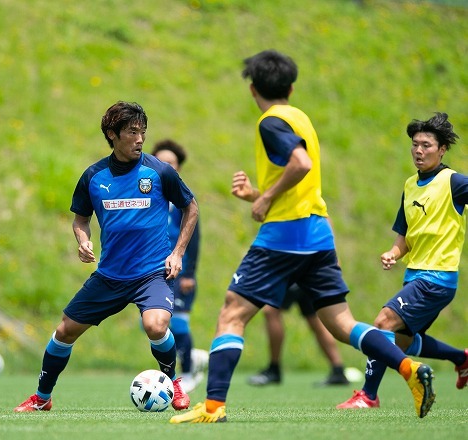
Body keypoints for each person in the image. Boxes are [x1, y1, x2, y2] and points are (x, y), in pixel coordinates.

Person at [170, 50, 434, 424]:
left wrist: (265, 198)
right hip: (318, 233)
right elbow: (300, 181)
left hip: (284, 236)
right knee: (342, 324)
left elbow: (301, 164)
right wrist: (256, 194)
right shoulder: (301, 118)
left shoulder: (270, 122)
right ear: (291, 88)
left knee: (232, 313)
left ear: (252, 89)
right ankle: (409, 369)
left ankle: (213, 408)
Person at [14, 101, 199, 412]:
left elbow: (190, 207)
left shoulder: (159, 172)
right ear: (113, 134)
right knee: (64, 331)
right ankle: (42, 398)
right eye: (132, 132)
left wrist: (178, 253)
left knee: (156, 325)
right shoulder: (94, 176)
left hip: (152, 273)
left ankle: (173, 383)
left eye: (142, 132)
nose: (140, 139)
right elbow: (80, 219)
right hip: (110, 276)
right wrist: (83, 240)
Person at [337, 112, 468, 410]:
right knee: (400, 341)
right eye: (415, 145)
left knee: (383, 322)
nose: (419, 151)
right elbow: (404, 236)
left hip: (436, 278)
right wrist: (393, 253)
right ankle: (461, 359)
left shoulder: (454, 182)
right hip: (415, 276)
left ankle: (368, 396)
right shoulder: (410, 185)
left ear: (442, 149)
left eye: (426, 145)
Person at [152, 139, 208, 393]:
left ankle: (187, 371)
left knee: (180, 322)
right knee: (154, 323)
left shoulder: (184, 199)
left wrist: (190, 273)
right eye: (161, 161)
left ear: (178, 168)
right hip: (152, 271)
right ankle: (191, 356)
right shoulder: (147, 195)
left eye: (171, 163)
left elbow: (193, 238)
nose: (166, 166)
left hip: (179, 271)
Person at [247, 284, 350, 386]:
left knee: (271, 311)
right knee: (314, 318)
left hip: (293, 277)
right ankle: (338, 370)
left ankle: (274, 369)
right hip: (310, 278)